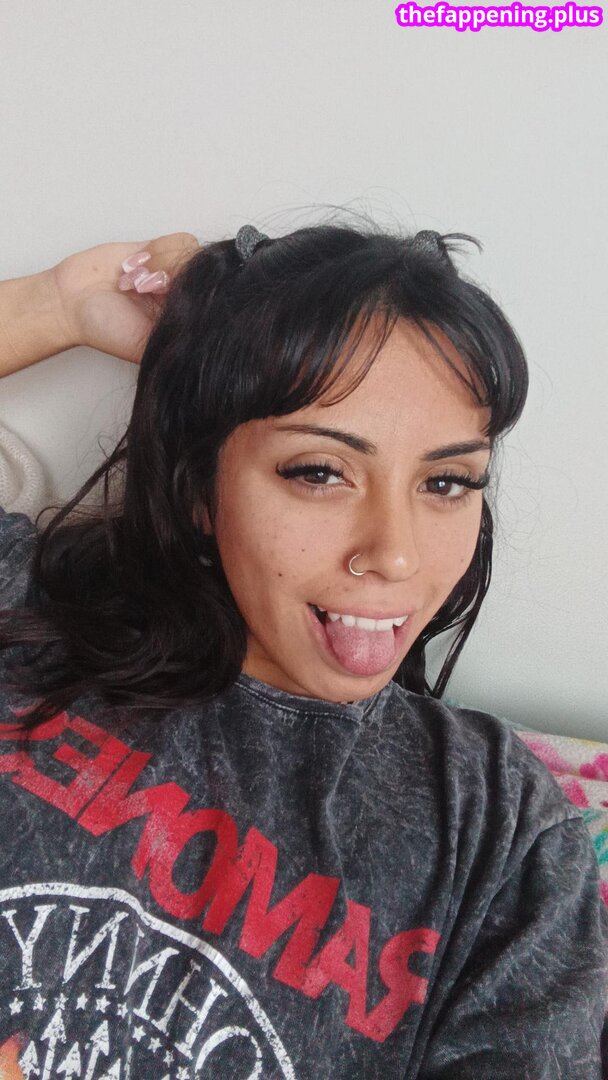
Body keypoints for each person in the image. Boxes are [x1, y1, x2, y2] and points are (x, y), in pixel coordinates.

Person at [0, 220, 606, 1080]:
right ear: (200, 487)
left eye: (446, 482)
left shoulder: (497, 828)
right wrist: (56, 306)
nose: (394, 554)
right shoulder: (28, 609)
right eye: (320, 472)